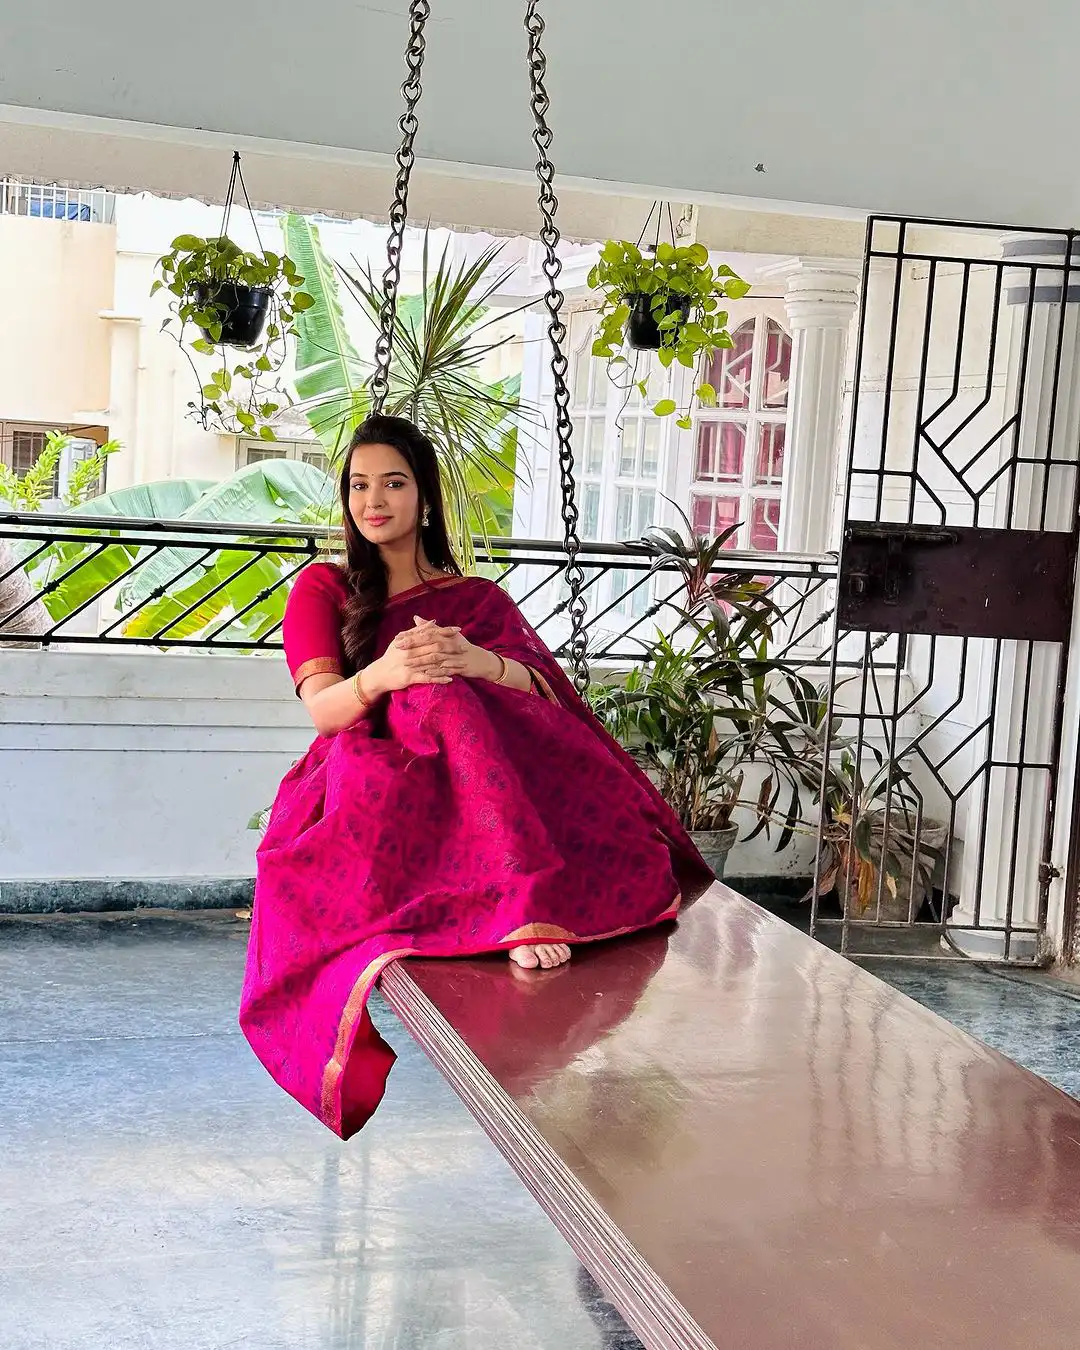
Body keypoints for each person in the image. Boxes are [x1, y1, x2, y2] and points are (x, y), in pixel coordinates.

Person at [240, 415, 713, 1138]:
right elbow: (326, 711)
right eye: (360, 485)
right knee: (432, 692)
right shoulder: (323, 588)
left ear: (424, 497)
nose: (375, 501)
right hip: (372, 770)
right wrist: (390, 672)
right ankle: (516, 905)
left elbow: (551, 697)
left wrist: (476, 661)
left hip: (481, 769)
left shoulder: (477, 601)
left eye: (393, 483)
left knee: (453, 692)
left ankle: (520, 897)